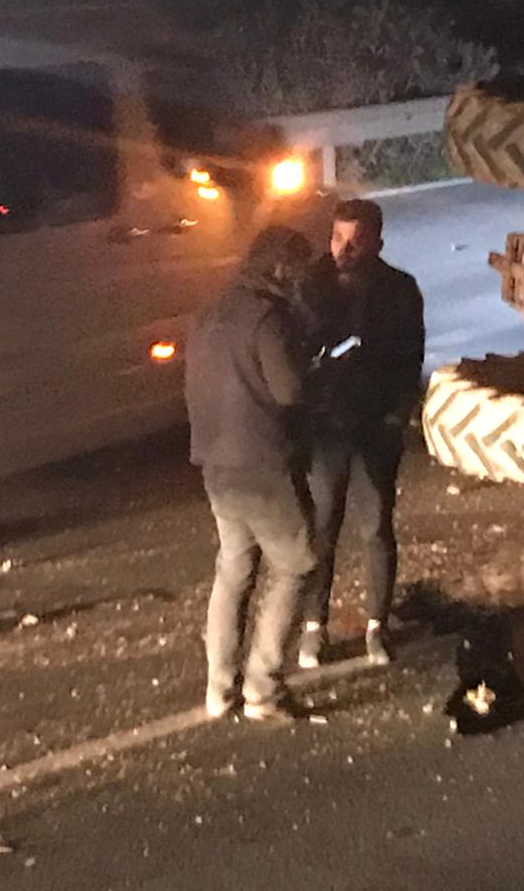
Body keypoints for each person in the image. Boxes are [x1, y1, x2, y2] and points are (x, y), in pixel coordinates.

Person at [185, 225, 318, 722]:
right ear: (281, 268)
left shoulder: (209, 311)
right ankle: (264, 687)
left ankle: (219, 690)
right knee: (297, 565)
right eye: (299, 269)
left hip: (215, 463)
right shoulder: (269, 319)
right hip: (263, 466)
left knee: (234, 571)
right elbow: (289, 392)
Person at [298, 199, 424, 669]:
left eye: (354, 241)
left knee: (375, 528)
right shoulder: (312, 283)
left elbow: (411, 358)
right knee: (322, 528)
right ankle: (314, 627)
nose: (342, 250)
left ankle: (377, 626)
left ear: (376, 242)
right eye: (336, 238)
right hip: (327, 427)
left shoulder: (401, 291)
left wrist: (397, 415)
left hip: (375, 427)